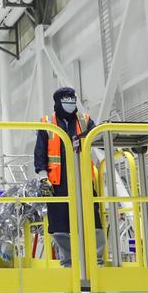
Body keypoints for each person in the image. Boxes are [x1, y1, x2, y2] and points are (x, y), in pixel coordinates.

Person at [34, 86, 100, 267]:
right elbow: (39, 152)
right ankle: (68, 261)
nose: (70, 102)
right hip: (57, 181)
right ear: (57, 102)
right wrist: (42, 176)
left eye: (72, 98)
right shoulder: (47, 123)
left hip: (83, 177)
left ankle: (97, 259)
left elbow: (98, 136)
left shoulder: (84, 120)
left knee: (92, 216)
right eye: (66, 99)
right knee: (60, 221)